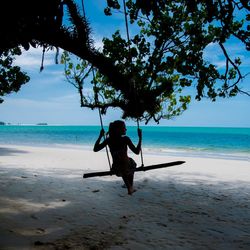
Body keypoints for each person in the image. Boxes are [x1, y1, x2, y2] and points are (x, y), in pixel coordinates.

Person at [93, 120, 142, 195]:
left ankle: (130, 187)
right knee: (129, 162)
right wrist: (140, 138)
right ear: (118, 130)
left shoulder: (109, 140)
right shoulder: (125, 139)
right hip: (125, 167)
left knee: (127, 162)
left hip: (116, 169)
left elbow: (95, 149)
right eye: (124, 128)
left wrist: (100, 136)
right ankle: (130, 187)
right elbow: (137, 152)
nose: (126, 129)